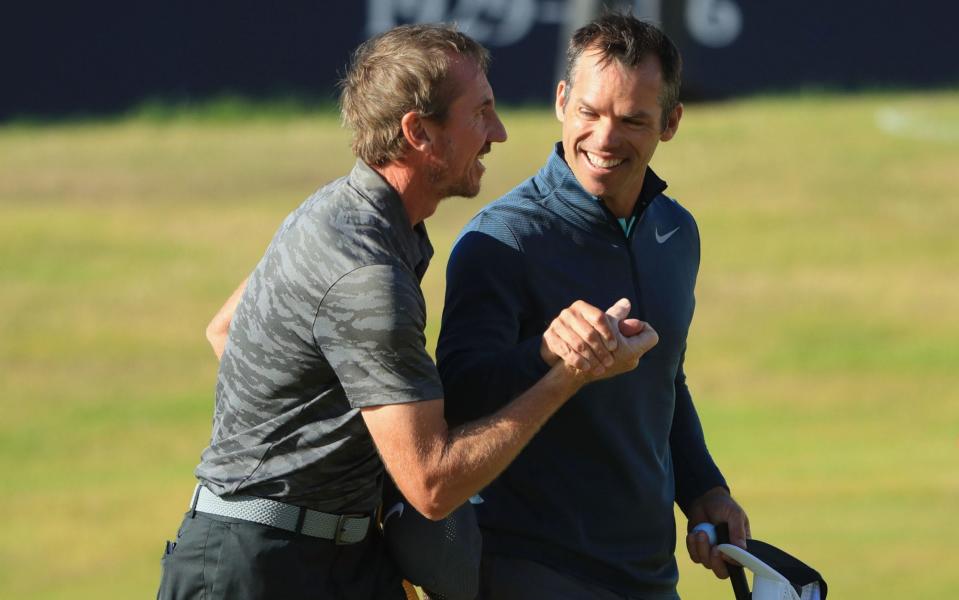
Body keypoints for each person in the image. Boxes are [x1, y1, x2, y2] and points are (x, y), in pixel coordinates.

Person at [157, 23, 659, 600]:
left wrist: (337, 479)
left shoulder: (333, 211)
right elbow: (432, 483)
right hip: (260, 570)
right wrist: (571, 372)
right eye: (481, 114)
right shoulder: (366, 273)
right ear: (419, 133)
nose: (497, 133)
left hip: (336, 554)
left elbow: (227, 330)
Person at [436, 13, 751, 599]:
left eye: (633, 120)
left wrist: (705, 490)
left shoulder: (676, 233)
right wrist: (548, 353)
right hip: (527, 567)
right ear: (561, 102)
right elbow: (456, 399)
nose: (605, 139)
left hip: (648, 574)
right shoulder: (501, 240)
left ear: (672, 122)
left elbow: (664, 380)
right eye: (590, 112)